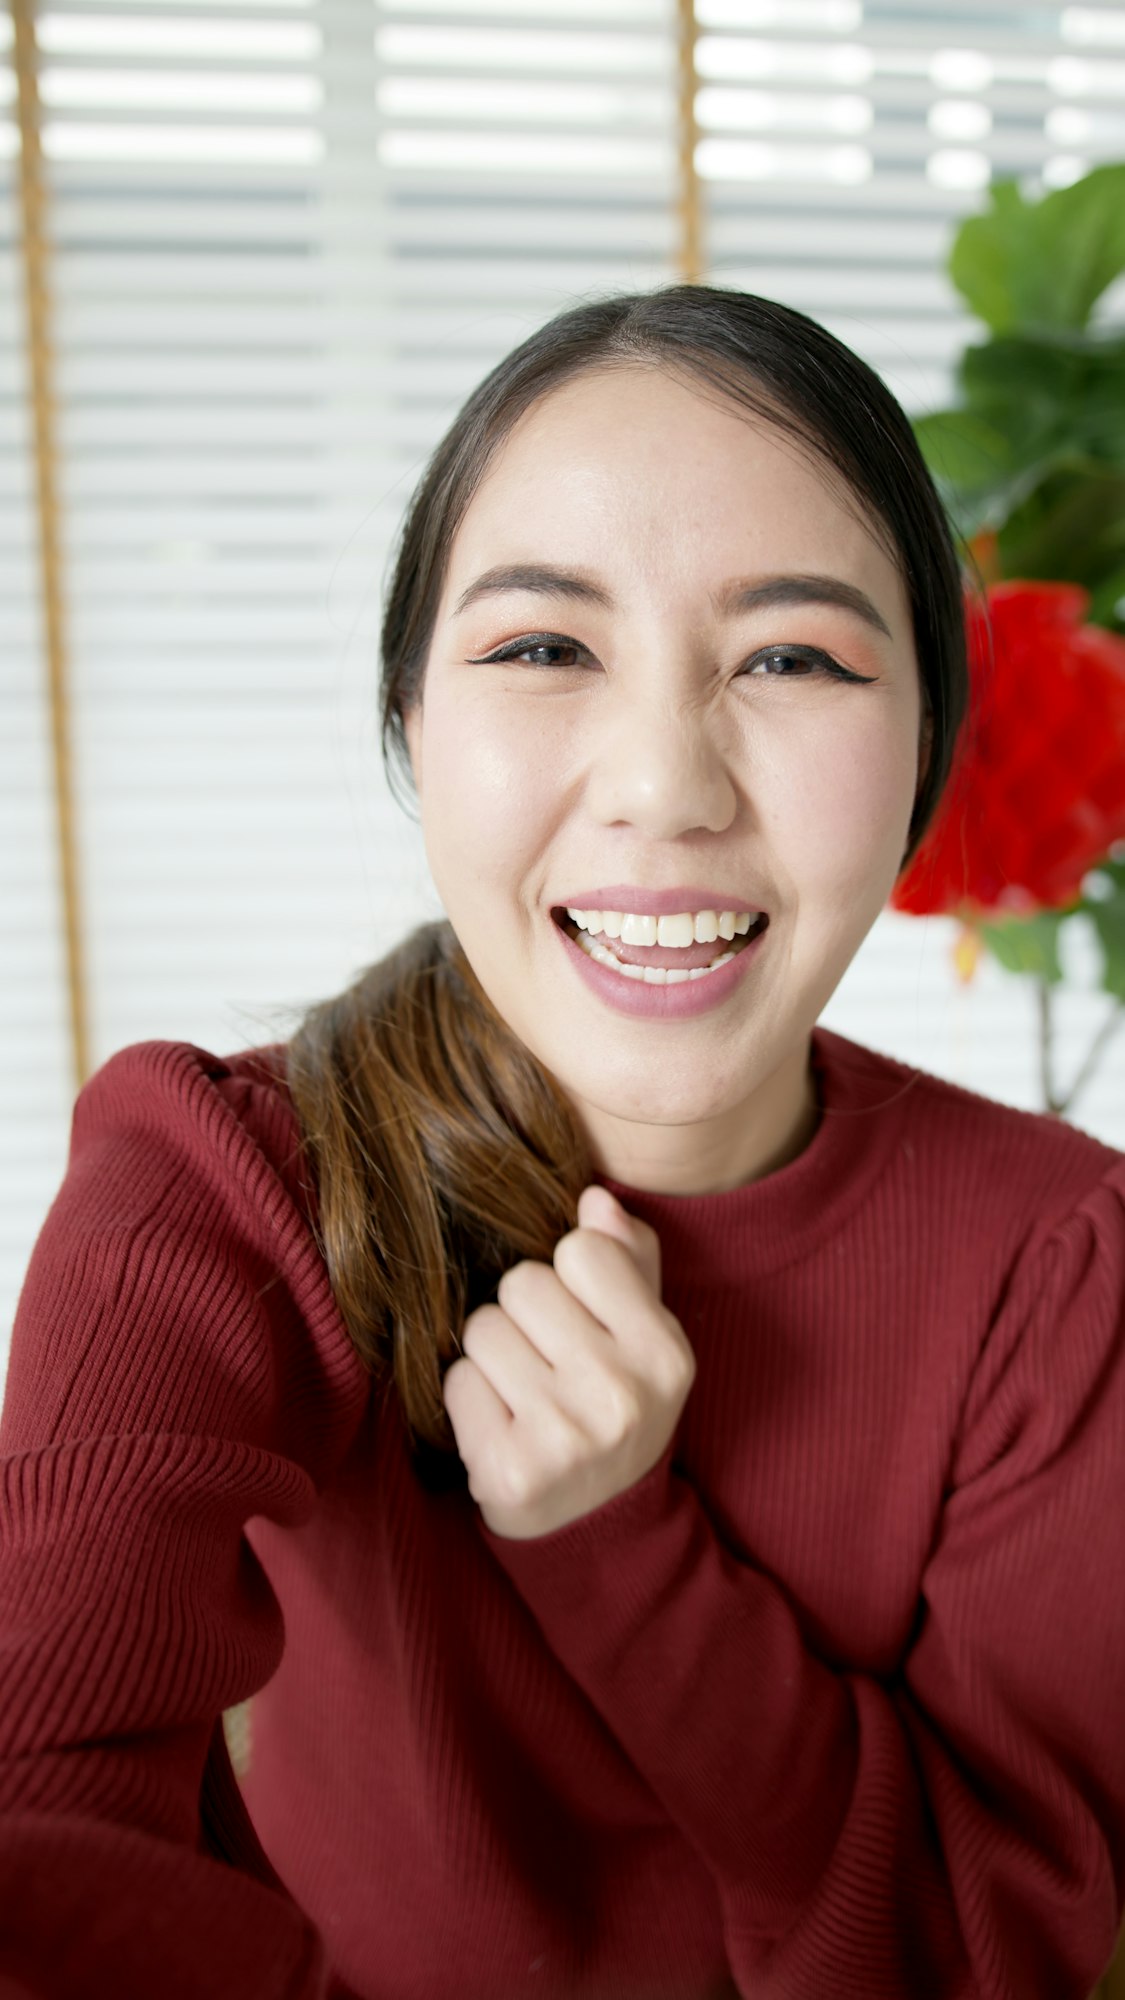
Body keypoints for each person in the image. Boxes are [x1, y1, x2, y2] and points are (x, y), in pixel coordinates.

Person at [1, 285, 1123, 2000]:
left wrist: (622, 1552)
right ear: (409, 723)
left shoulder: (1064, 1262)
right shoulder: (218, 1186)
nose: (664, 785)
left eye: (793, 658)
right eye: (542, 649)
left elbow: (985, 1954)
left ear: (921, 752)